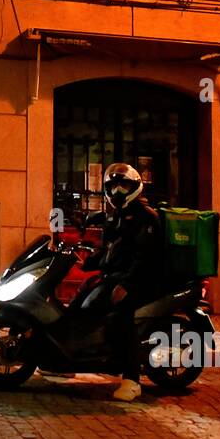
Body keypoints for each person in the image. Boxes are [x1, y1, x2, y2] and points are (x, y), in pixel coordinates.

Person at [79, 162, 163, 402]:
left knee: (122, 318)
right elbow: (109, 250)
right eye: (113, 185)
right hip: (116, 276)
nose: (117, 191)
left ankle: (132, 379)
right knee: (81, 300)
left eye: (123, 185)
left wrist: (126, 285)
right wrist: (87, 262)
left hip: (140, 281)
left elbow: (145, 258)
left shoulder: (145, 217)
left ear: (135, 186)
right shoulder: (115, 217)